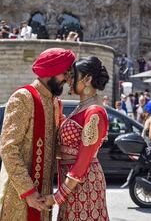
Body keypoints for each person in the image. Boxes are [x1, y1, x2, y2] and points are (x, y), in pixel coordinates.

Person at [0, 48, 75, 221]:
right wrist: (29, 192)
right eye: (64, 73)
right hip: (20, 198)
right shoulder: (24, 97)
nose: (66, 80)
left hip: (43, 196)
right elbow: (8, 149)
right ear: (50, 72)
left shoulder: (53, 102)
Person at [42, 56, 109, 220]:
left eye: (72, 76)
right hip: (72, 184)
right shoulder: (81, 108)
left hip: (84, 183)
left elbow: (83, 160)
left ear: (87, 79)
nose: (68, 80)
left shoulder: (94, 112)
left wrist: (58, 196)